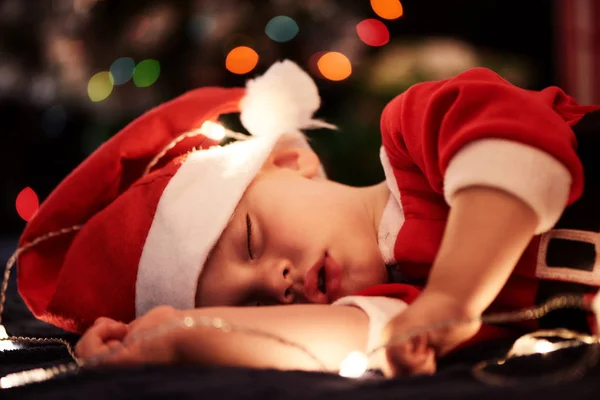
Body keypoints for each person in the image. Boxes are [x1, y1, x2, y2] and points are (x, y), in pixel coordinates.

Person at [15, 60, 600, 376]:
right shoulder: (400, 302)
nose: (276, 282)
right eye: (253, 303)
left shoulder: (414, 137)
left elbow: (516, 151)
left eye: (251, 242)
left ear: (292, 161)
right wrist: (177, 338)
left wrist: (453, 293)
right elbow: (337, 342)